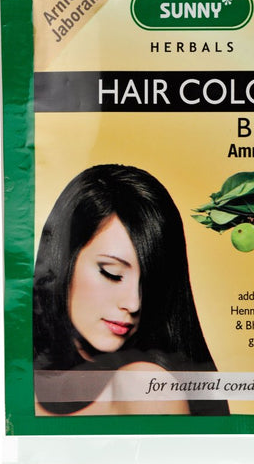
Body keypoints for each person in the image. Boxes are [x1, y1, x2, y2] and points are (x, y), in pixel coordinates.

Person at [33, 164, 228, 416]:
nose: (134, 303)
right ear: (62, 259)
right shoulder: (16, 372)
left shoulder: (145, 387)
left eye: (148, 283)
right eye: (112, 273)